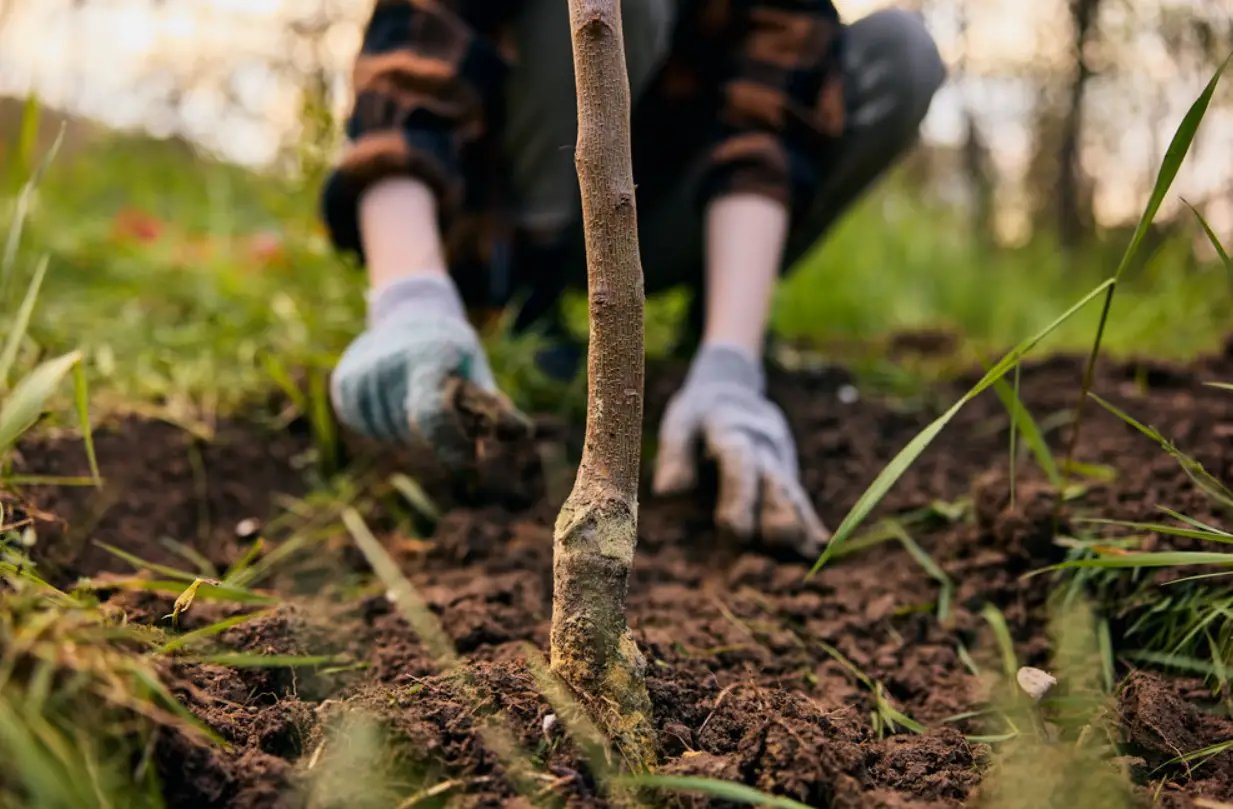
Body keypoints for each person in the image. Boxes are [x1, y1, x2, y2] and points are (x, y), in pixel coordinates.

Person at [322, 0, 945, 557]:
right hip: (506, 201)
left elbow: (766, 126)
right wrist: (410, 297)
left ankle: (714, 336)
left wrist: (731, 363)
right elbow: (409, 75)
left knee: (901, 51)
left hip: (662, 200)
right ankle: (524, 306)